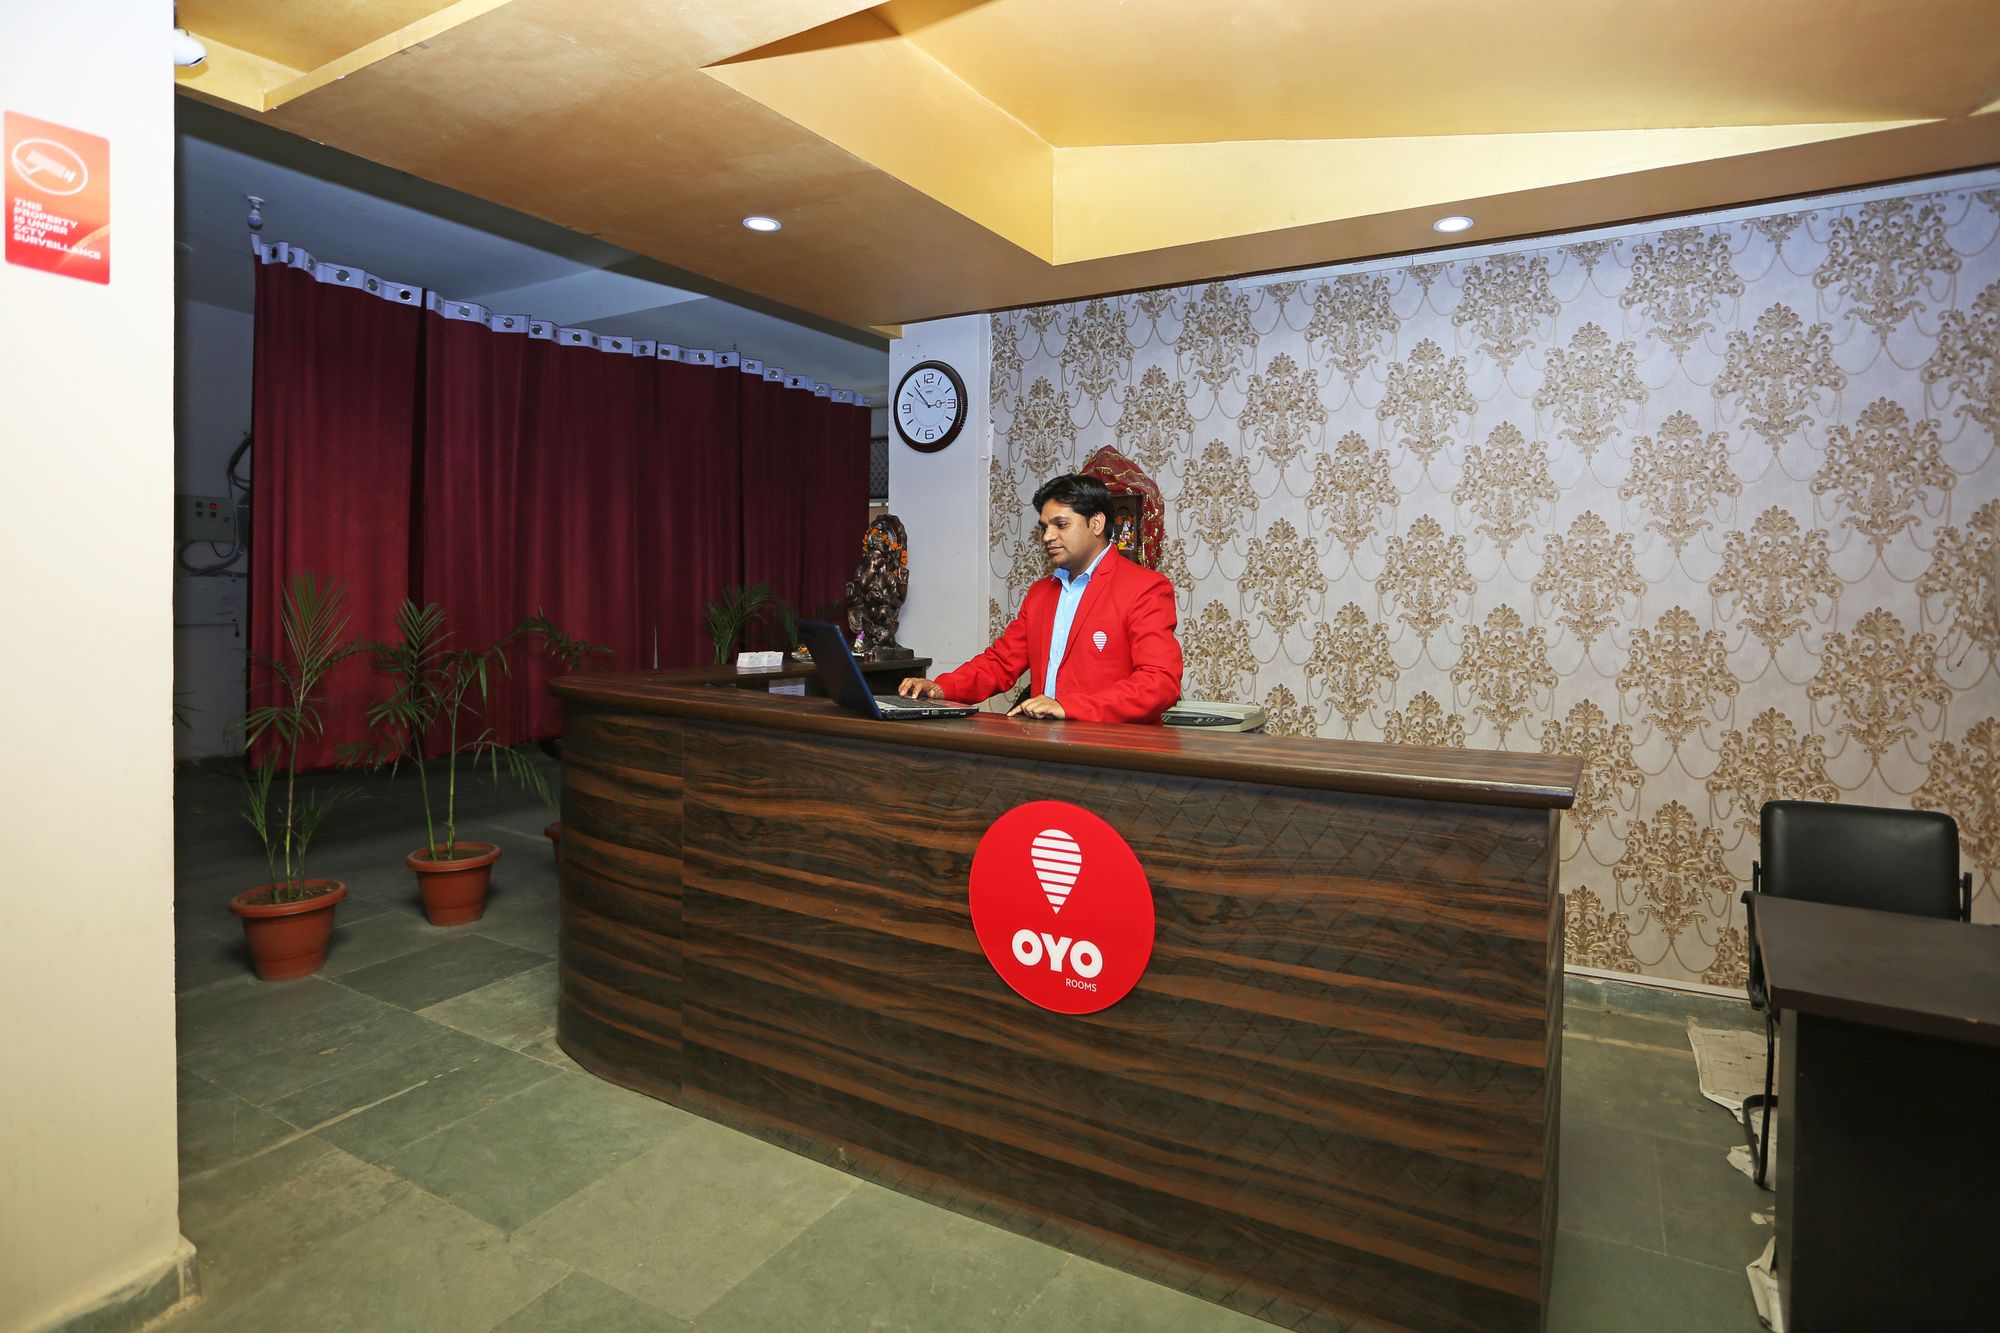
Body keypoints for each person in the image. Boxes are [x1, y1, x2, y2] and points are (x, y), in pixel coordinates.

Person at [897, 473, 1183, 723]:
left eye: (1061, 524)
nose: (1047, 536)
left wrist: (1068, 707)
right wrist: (943, 688)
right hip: (1045, 747)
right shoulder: (1041, 593)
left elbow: (1159, 683)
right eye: (1044, 527)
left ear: (1096, 523)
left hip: (1113, 752)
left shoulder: (1145, 588)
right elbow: (1000, 663)